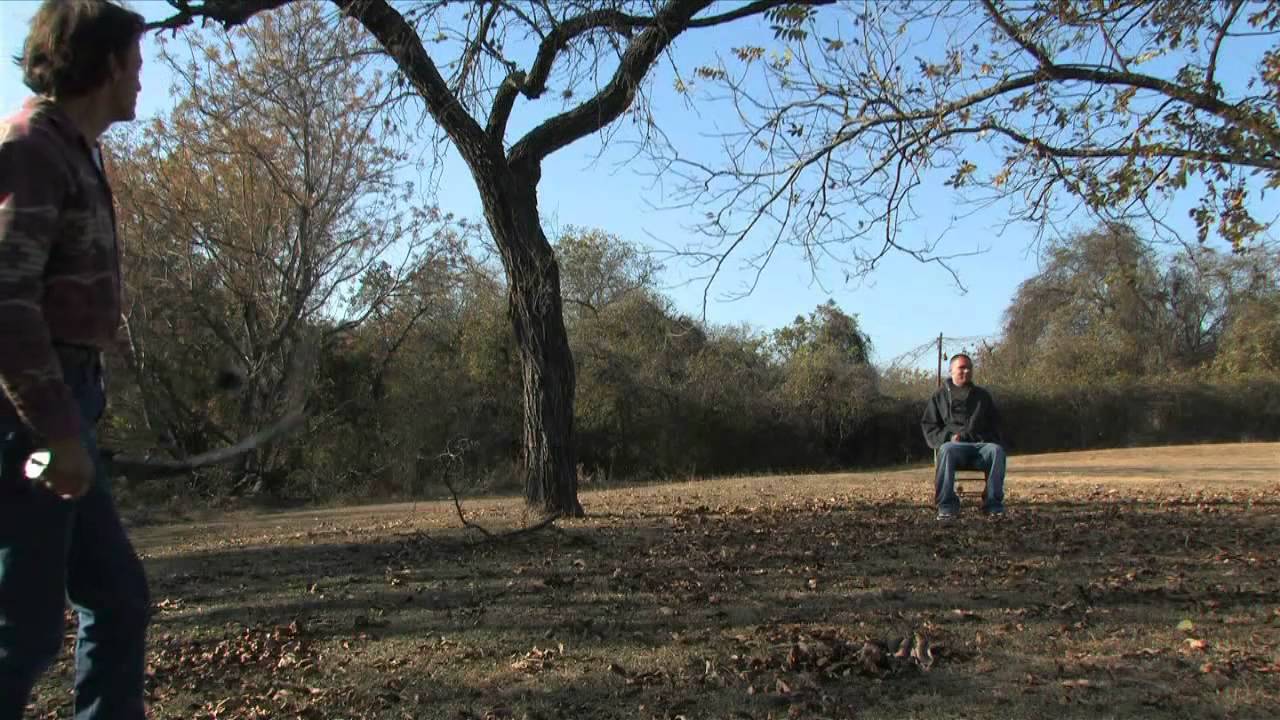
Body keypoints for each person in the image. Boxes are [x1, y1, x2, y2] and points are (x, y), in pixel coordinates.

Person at [0, 2, 149, 717]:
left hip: (68, 405)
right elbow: (5, 304)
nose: (142, 79)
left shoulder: (78, 150)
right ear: (107, 64)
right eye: (137, 62)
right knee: (22, 629)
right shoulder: (30, 147)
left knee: (117, 599)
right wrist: (57, 431)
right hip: (27, 421)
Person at [920, 353, 1007, 521]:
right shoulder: (940, 396)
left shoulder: (982, 396)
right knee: (946, 449)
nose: (966, 371)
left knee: (996, 450)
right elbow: (929, 425)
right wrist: (949, 437)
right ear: (951, 370)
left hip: (980, 447)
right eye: (961, 368)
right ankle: (946, 506)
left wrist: (986, 438)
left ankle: (993, 504)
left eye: (969, 368)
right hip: (955, 449)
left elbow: (996, 425)